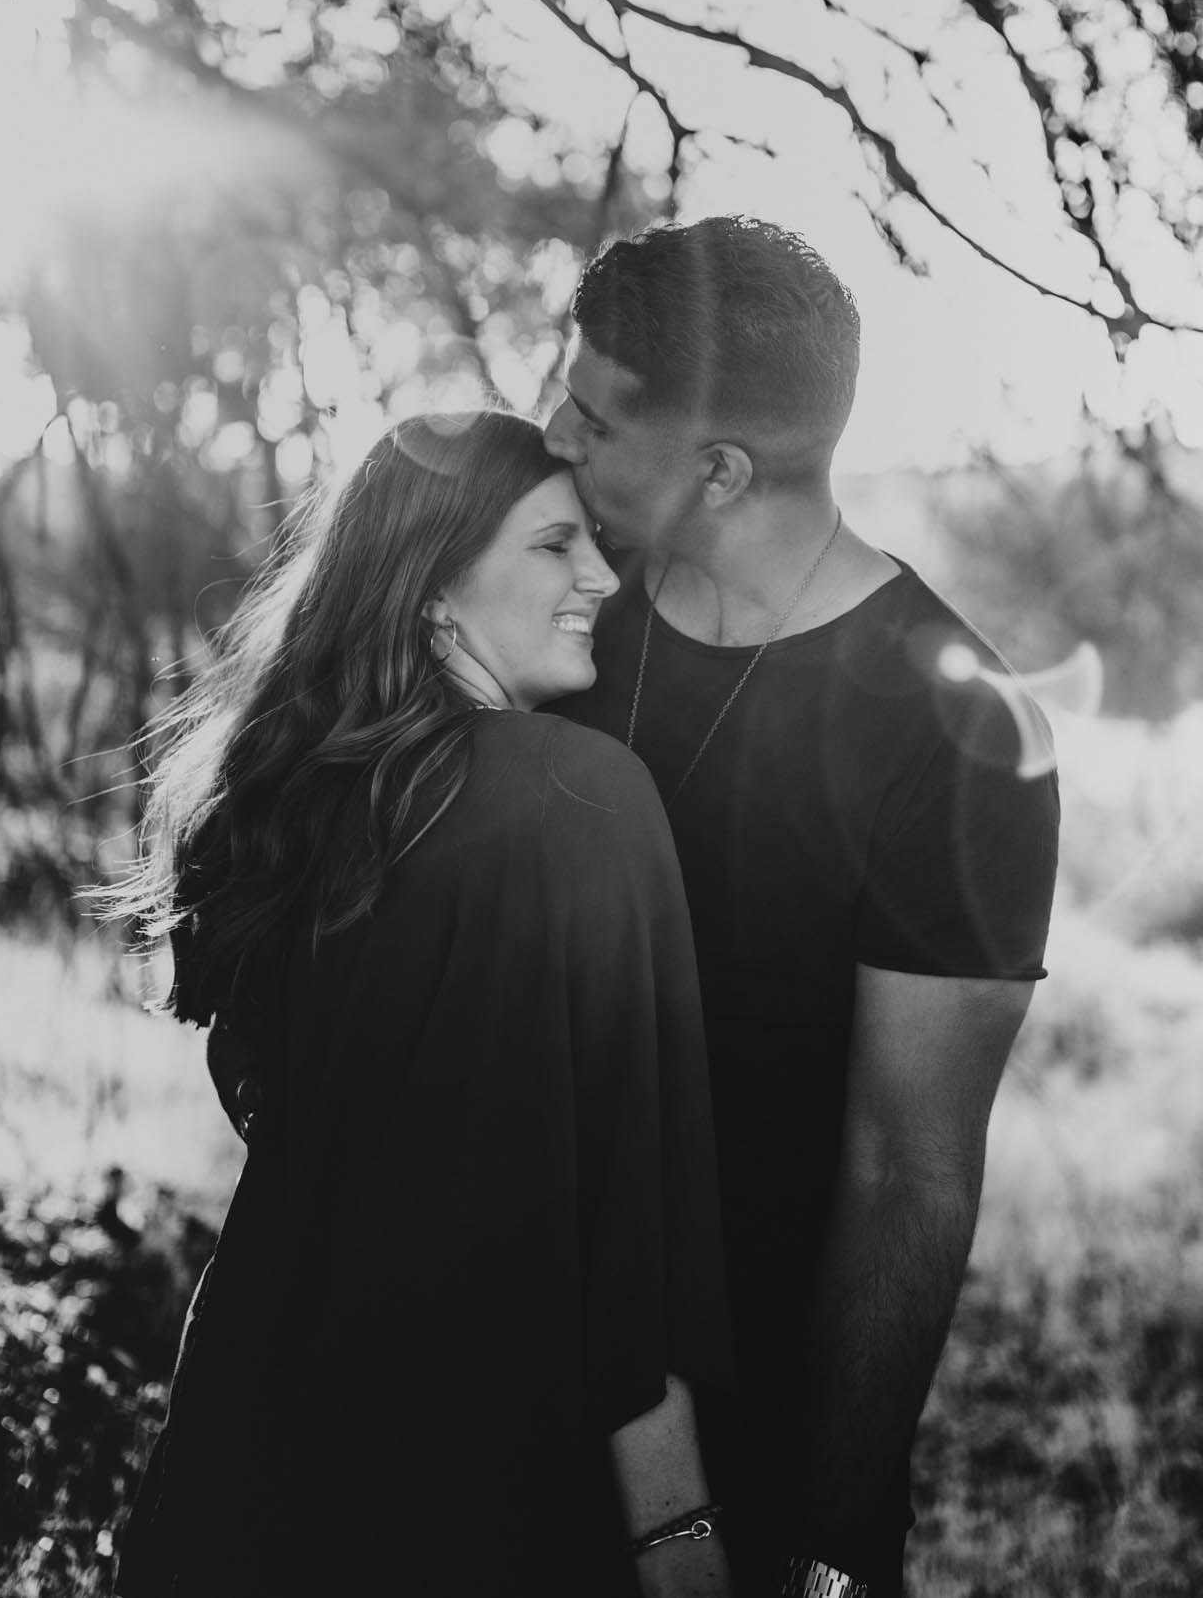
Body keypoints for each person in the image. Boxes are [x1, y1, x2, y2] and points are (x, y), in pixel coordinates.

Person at [109, 411, 734, 1598]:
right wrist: (675, 1527)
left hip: (243, 1441)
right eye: (554, 545)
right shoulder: (581, 798)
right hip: (470, 1476)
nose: (602, 578)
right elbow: (627, 1223)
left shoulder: (292, 810)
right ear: (434, 589)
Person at [544, 217, 1060, 1598]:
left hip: (751, 1417)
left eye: (595, 418)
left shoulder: (962, 729)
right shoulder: (556, 609)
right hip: (502, 1370)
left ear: (719, 470)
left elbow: (910, 1169)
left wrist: (820, 1546)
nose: (556, 435)